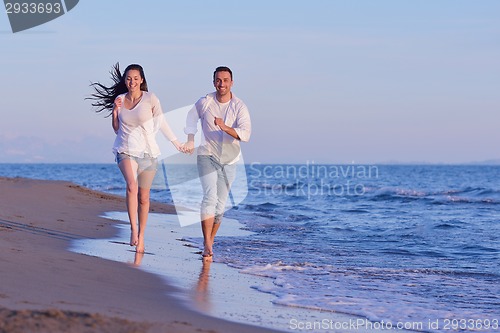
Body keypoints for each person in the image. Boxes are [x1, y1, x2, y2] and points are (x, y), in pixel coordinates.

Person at [89, 63, 183, 253]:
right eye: (128, 78)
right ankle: (133, 230)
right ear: (125, 80)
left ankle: (141, 236)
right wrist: (115, 111)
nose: (132, 82)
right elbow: (117, 128)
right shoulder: (120, 99)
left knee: (144, 197)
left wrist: (176, 144)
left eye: (135, 78)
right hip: (125, 149)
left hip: (148, 152)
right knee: (132, 186)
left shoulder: (151, 98)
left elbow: (162, 123)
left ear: (142, 80)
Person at [183, 66, 251, 261]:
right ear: (214, 82)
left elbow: (245, 134)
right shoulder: (205, 102)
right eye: (218, 80)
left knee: (220, 206)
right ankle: (206, 243)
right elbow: (190, 118)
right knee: (210, 198)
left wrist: (224, 127)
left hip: (230, 160)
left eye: (226, 80)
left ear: (232, 83)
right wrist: (190, 139)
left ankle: (209, 242)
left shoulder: (239, 106)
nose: (222, 84)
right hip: (207, 156)